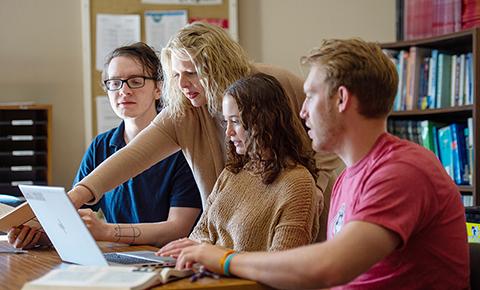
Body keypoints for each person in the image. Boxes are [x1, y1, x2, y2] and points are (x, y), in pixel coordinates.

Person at [173, 39, 470, 289]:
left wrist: (223, 259)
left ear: (341, 99)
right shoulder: (347, 177)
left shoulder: (402, 171)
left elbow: (330, 267)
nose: (302, 112)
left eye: (311, 95)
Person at [62, 22, 344, 241]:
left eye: (192, 72)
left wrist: (317, 184)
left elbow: (327, 133)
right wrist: (79, 194)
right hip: (229, 237)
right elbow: (134, 155)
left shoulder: (275, 83)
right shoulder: (185, 110)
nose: (183, 84)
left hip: (295, 216)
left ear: (218, 66)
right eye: (175, 75)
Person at [8, 42, 202, 248]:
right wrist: (40, 236)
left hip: (170, 259)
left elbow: (178, 229)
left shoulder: (182, 147)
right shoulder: (100, 146)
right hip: (117, 256)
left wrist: (106, 231)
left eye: (135, 81)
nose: (124, 90)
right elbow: (74, 215)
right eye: (115, 82)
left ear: (159, 88)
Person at [158, 73, 320, 257]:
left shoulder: (297, 183)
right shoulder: (232, 173)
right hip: (207, 275)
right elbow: (199, 232)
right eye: (226, 122)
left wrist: (213, 255)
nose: (228, 132)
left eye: (235, 121)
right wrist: (198, 253)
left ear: (264, 121)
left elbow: (282, 265)